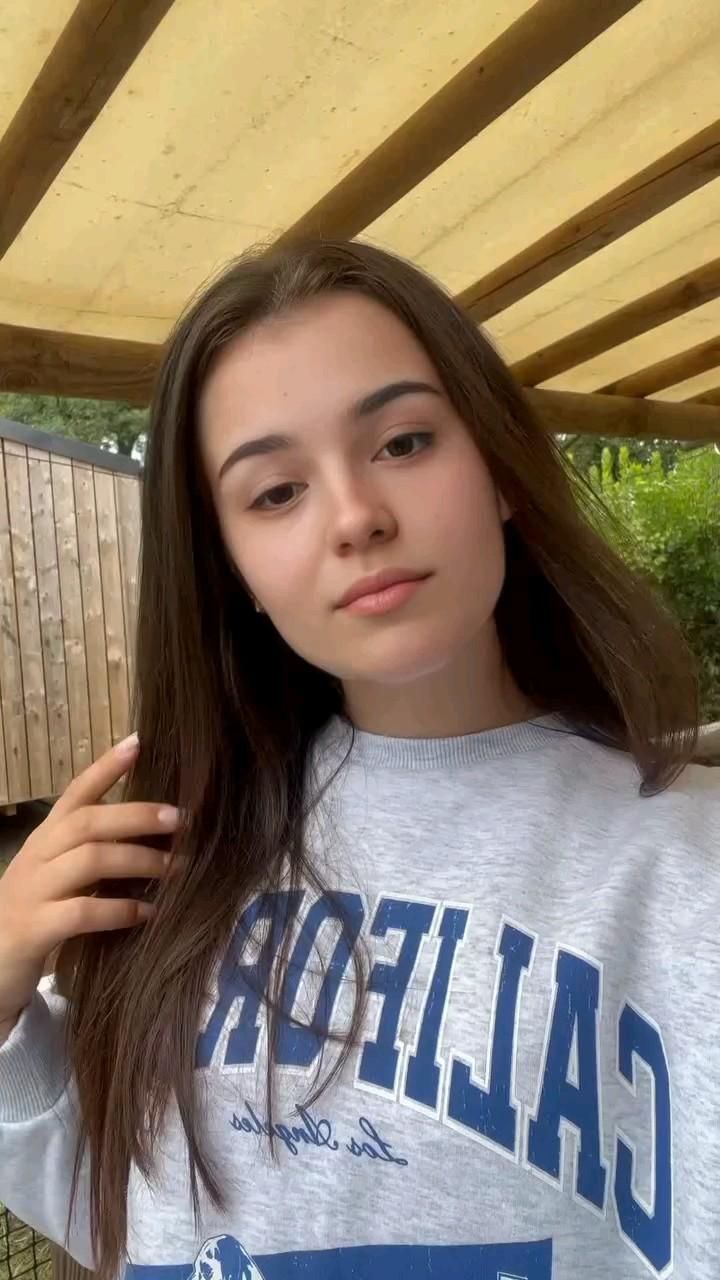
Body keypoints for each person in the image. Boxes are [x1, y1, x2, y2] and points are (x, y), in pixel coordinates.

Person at [0, 239, 717, 1280]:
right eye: (275, 492)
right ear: (231, 567)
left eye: (404, 441)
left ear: (500, 469)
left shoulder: (685, 870)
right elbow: (122, 1214)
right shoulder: (182, 860)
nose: (355, 518)